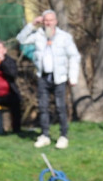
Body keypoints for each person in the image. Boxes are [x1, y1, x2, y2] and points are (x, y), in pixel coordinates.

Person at [16, 9, 80, 149]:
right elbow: (21, 39)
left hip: (60, 77)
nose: (48, 23)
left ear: (56, 21)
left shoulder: (64, 37)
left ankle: (63, 136)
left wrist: (72, 76)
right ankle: (44, 135)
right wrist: (32, 25)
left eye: (51, 20)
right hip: (43, 76)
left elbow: (74, 56)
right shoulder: (38, 35)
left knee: (60, 107)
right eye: (45, 20)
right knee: (43, 107)